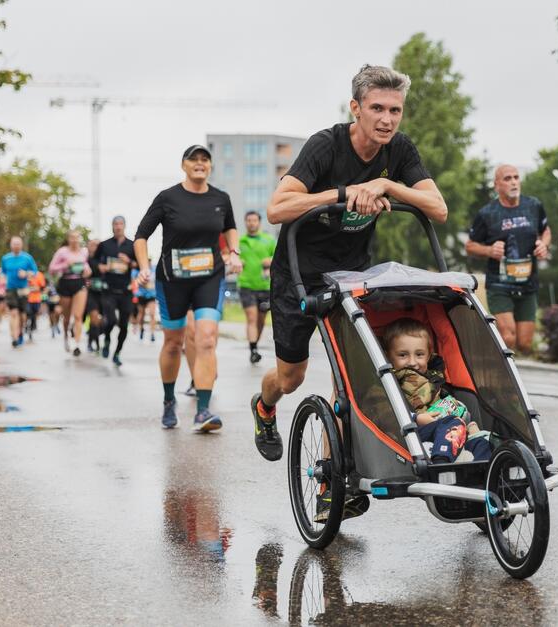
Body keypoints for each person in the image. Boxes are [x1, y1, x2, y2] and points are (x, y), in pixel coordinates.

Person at [249, 64, 447, 521]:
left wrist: (387, 185)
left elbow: (437, 208)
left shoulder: (398, 151)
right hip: (299, 272)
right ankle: (264, 406)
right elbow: (278, 208)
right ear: (355, 108)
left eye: (395, 110)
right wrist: (343, 193)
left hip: (351, 278)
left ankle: (333, 481)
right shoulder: (325, 146)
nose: (387, 119)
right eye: (376, 108)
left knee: (352, 379)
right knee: (291, 378)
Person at [134, 144, 241, 432]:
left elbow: (230, 227)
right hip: (172, 279)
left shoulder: (221, 198)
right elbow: (141, 235)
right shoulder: (167, 198)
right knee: (173, 342)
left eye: (205, 159)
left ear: (210, 166)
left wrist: (235, 252)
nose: (199, 163)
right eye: (193, 159)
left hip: (209, 276)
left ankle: (203, 410)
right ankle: (169, 400)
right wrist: (143, 267)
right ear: (183, 165)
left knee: (206, 338)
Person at [465, 164, 551, 355]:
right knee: (508, 337)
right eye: (507, 178)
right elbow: (470, 246)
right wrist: (489, 250)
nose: (513, 182)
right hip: (500, 285)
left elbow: (546, 231)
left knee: (525, 343)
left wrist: (544, 244)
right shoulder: (487, 214)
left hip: (528, 283)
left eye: (516, 177)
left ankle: (492, 354)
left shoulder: (533, 206)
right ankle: (499, 370)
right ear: (497, 185)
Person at [383, 318, 490, 462]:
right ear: (388, 356)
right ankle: (442, 464)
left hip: (444, 431)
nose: (413, 362)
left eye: (419, 354)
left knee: (482, 440)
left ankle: (481, 469)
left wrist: (456, 407)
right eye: (403, 355)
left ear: (428, 355)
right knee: (452, 423)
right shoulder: (388, 382)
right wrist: (416, 418)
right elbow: (381, 413)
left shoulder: (434, 378)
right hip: (409, 434)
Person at [95, 216, 137, 366]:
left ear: (124, 226)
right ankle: (106, 340)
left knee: (124, 325)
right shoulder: (105, 245)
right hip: (109, 290)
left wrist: (130, 262)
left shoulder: (132, 245)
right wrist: (100, 266)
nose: (118, 227)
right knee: (111, 320)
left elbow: (140, 264)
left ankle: (117, 352)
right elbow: (94, 260)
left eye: (120, 224)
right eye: (115, 224)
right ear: (112, 226)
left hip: (125, 290)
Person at [237, 210, 277, 364]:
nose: (251, 223)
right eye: (248, 220)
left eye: (254, 220)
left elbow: (279, 258)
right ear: (245, 222)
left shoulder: (269, 240)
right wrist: (238, 262)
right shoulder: (240, 242)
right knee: (252, 317)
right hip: (246, 284)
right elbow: (230, 256)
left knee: (261, 320)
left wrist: (270, 260)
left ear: (259, 222)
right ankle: (253, 350)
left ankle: (254, 345)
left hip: (265, 286)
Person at [48, 230, 92, 356]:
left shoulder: (84, 251)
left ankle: (77, 344)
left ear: (79, 239)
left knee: (78, 316)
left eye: (76, 237)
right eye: (72, 237)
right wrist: (65, 264)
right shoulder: (62, 251)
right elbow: (51, 269)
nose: (74, 240)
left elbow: (86, 265)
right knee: (66, 317)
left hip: (79, 282)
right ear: (68, 239)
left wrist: (87, 270)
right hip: (65, 283)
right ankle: (66, 336)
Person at [0, 236, 38, 348]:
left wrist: (26, 274)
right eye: (14, 243)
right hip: (10, 289)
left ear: (21, 245)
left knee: (22, 316)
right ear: (11, 245)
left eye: (18, 244)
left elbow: (35, 272)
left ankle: (20, 333)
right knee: (13, 313)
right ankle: (14, 337)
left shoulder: (27, 258)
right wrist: (1, 283)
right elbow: (3, 273)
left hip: (23, 289)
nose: (16, 245)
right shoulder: (5, 258)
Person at [84, 238, 104, 352]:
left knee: (103, 320)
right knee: (94, 318)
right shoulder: (85, 260)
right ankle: (93, 344)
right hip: (90, 293)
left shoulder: (104, 259)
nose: (94, 247)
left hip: (103, 293)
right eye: (92, 245)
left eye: (97, 245)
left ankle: (94, 339)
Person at [132, 260, 158, 342]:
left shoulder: (154, 269)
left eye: (150, 260)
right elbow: (134, 282)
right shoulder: (137, 270)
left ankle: (152, 333)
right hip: (142, 295)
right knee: (141, 314)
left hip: (152, 295)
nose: (149, 262)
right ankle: (141, 330)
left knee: (152, 314)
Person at [26, 266, 47, 338]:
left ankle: (33, 325)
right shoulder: (25, 274)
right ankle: (26, 325)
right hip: (27, 299)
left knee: (34, 313)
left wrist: (37, 289)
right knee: (28, 312)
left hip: (36, 299)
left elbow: (42, 287)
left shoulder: (39, 275)